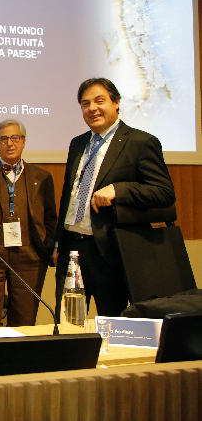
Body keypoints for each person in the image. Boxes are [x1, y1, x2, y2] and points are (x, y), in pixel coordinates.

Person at [55, 78, 175, 317]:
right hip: (72, 248)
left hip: (108, 251)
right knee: (66, 321)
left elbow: (164, 193)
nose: (92, 108)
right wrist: (60, 241)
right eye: (85, 104)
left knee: (112, 322)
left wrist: (119, 189)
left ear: (116, 103)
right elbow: (70, 194)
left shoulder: (140, 142)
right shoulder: (77, 143)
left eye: (100, 101)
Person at [0, 119, 57, 328]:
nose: (9, 143)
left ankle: (20, 360)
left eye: (15, 138)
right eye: (3, 139)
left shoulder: (42, 177)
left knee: (25, 320)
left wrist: (47, 247)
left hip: (29, 256)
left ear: (23, 142)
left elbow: (50, 218)